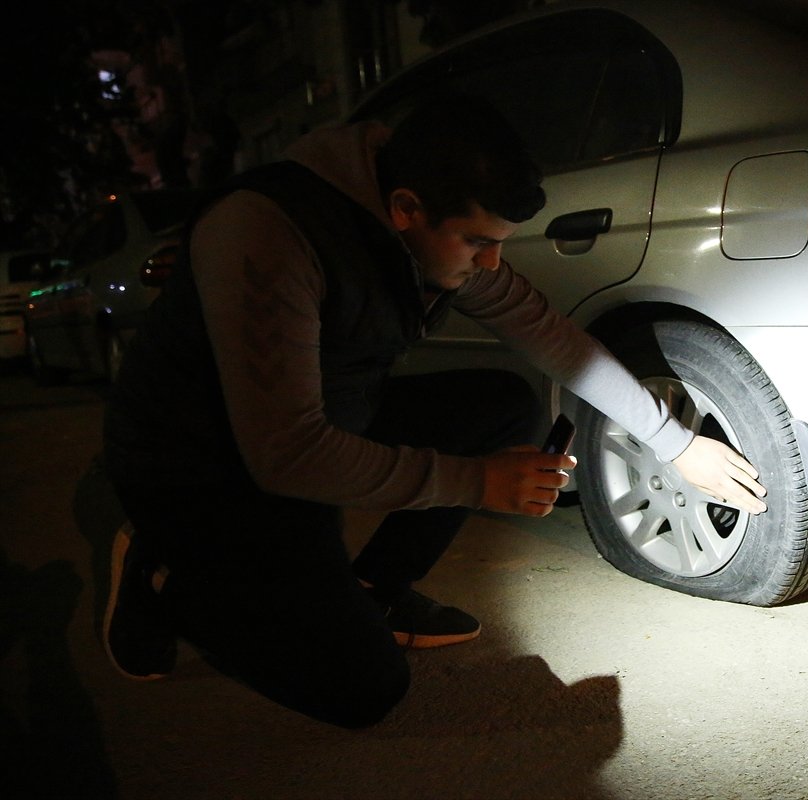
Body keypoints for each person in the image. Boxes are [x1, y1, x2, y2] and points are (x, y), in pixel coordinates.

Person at [99, 93, 768, 728]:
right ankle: (163, 576)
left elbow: (552, 338)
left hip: (319, 422)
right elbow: (287, 457)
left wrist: (676, 443)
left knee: (503, 406)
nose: (492, 263)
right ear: (406, 208)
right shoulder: (266, 233)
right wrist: (478, 482)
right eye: (477, 242)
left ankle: (374, 590)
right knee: (364, 688)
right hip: (204, 469)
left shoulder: (423, 219)